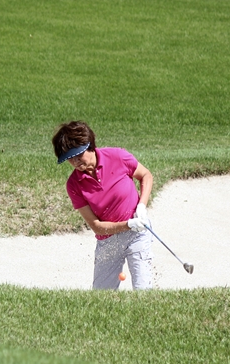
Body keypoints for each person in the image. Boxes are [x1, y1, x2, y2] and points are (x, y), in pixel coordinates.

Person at [52, 120, 154, 289]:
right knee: (102, 296)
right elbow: (97, 227)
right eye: (70, 158)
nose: (75, 162)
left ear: (89, 145)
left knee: (143, 291)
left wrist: (142, 206)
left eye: (78, 155)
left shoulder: (117, 156)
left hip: (137, 234)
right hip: (108, 241)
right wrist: (128, 224)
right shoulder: (74, 184)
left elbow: (146, 175)